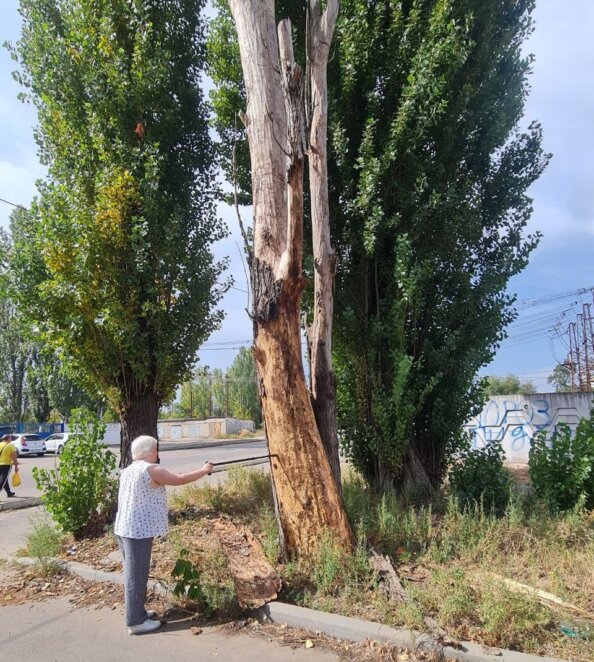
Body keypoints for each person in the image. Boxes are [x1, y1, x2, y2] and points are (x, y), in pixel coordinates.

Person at [114, 435, 214, 635]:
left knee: (135, 573)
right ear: (149, 451)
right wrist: (204, 471)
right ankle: (135, 621)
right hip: (137, 530)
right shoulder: (151, 469)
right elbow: (179, 479)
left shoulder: (129, 470)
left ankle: (138, 613)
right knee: (136, 575)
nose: (157, 453)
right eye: (156, 450)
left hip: (125, 528)